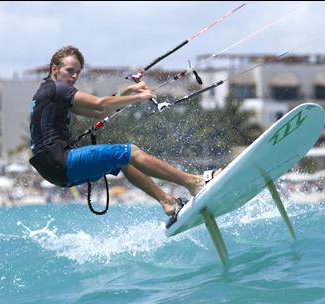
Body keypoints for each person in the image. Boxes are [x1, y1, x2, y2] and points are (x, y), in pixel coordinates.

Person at [29, 45, 220, 227]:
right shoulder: (57, 89)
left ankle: (168, 202)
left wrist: (126, 92)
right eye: (70, 71)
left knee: (124, 160)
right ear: (55, 69)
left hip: (53, 169)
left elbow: (97, 113)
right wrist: (139, 97)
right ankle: (194, 182)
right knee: (131, 152)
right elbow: (100, 103)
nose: (74, 76)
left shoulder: (48, 92)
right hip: (60, 161)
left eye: (78, 72)